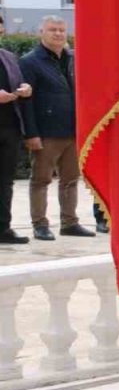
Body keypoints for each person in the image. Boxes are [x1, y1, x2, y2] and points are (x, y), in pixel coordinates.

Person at [18, 16, 94, 241]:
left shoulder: (72, 59)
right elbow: (26, 102)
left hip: (73, 130)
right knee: (41, 180)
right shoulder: (30, 62)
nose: (58, 34)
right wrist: (31, 133)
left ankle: (69, 222)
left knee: (71, 179)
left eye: (62, 30)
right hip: (46, 132)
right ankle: (39, 224)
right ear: (42, 32)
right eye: (53, 30)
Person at [0, 27, 33, 245]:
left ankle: (4, 227)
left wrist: (26, 88)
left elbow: (19, 81)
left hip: (9, 126)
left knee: (5, 181)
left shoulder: (9, 56)